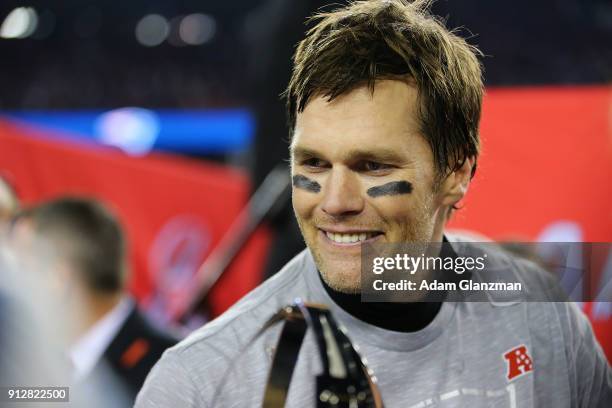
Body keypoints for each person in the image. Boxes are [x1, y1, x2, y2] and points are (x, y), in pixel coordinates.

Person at [136, 1, 611, 406]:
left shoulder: (540, 311)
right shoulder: (201, 382)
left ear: (457, 173)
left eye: (374, 167)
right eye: (315, 165)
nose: (335, 202)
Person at [10, 197, 179, 406]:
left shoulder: (173, 372)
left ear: (57, 280)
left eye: (17, 270)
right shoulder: (30, 363)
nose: (8, 286)